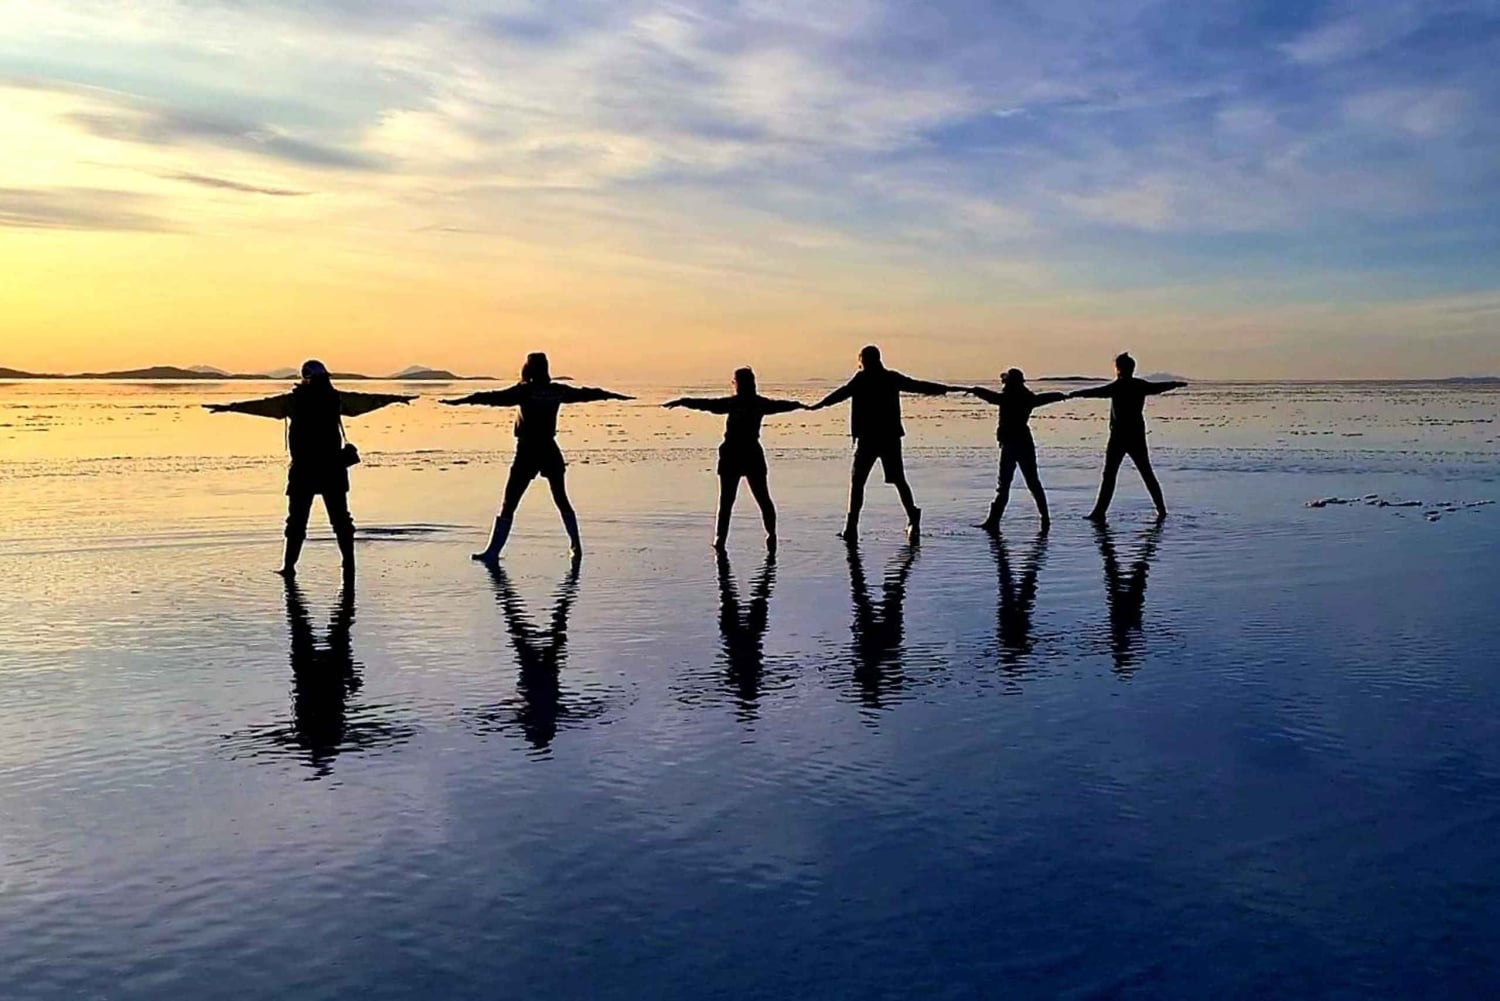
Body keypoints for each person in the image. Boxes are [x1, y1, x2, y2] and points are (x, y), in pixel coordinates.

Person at [204, 360, 416, 576]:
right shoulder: (334, 398)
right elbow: (365, 401)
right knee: (339, 521)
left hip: (305, 470)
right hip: (331, 469)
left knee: (299, 522)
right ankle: (347, 564)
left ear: (305, 378)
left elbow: (263, 406)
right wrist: (394, 399)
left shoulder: (295, 401)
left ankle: (290, 568)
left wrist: (230, 407)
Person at [442, 352, 633, 561]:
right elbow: (591, 393)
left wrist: (460, 401)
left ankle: (493, 552)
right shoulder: (557, 391)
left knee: (510, 503)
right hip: (549, 449)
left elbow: (490, 397)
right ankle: (576, 546)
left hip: (527, 451)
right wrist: (617, 396)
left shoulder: (524, 391)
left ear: (528, 368)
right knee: (561, 499)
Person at [809, 345, 955, 542]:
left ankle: (852, 527)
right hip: (889, 438)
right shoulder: (889, 378)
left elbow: (841, 394)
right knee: (896, 480)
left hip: (870, 439)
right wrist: (944, 389)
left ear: (863, 361)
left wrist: (817, 405)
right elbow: (918, 386)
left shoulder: (862, 379)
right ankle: (911, 515)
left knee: (859, 483)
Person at [663, 367, 806, 551]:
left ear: (737, 384)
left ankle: (722, 539)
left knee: (730, 501)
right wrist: (800, 405)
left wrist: (684, 401)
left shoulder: (735, 403)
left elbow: (707, 404)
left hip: (735, 453)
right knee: (761, 498)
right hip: (748, 452)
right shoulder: (758, 403)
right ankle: (769, 534)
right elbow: (781, 405)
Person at [1068, 353, 1187, 521]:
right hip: (1136, 435)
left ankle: (1100, 512)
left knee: (1110, 475)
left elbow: (1097, 392)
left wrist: (1076, 394)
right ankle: (1161, 510)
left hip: (1119, 436)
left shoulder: (1118, 387)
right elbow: (1158, 387)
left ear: (1118, 368)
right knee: (1145, 472)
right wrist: (1175, 384)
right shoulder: (1140, 385)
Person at [968, 368, 1067, 531]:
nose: (1004, 384)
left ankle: (993, 521)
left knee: (1005, 485)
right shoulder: (1028, 398)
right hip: (1024, 442)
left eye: (1006, 381)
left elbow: (991, 397)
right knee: (1032, 482)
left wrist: (975, 390)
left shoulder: (1007, 398)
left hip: (1011, 444)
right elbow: (1044, 398)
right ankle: (1045, 518)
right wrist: (1060, 395)